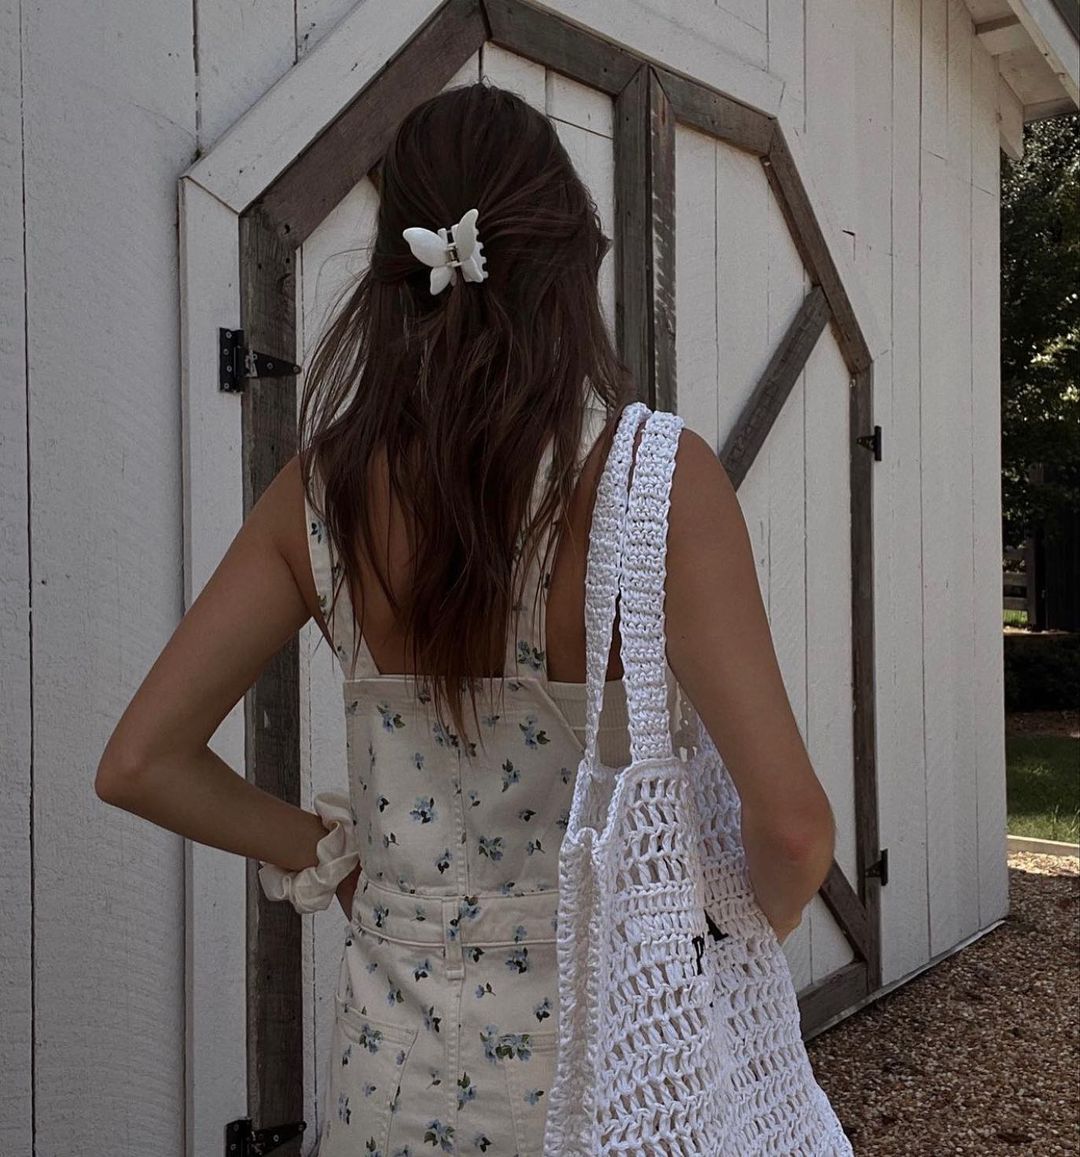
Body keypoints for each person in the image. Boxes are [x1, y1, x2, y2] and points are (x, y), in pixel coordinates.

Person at [97, 81, 836, 1157]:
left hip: (385, 1096)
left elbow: (140, 761)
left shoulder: (320, 497)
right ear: (569, 268)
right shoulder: (649, 485)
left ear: (397, 277)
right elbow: (796, 832)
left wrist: (336, 854)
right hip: (614, 1091)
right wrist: (724, 939)